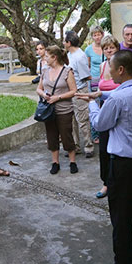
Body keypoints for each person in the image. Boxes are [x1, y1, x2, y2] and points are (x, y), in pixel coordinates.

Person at [82, 50, 132, 264]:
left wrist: (93, 103)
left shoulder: (117, 99)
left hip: (123, 168)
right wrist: (103, 97)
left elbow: (100, 123)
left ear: (121, 70)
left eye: (111, 66)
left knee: (121, 220)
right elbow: (122, 102)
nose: (108, 70)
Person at [80, 35, 121, 199]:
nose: (109, 50)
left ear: (117, 48)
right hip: (104, 111)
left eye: (112, 47)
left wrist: (100, 94)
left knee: (117, 151)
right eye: (106, 48)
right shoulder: (104, 66)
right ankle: (106, 183)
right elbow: (98, 89)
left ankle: (118, 182)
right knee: (103, 150)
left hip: (119, 113)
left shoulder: (122, 67)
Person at [36, 45, 78, 174]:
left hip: (64, 109)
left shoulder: (67, 71)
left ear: (54, 57)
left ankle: (72, 161)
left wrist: (58, 97)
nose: (45, 58)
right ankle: (55, 162)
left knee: (66, 136)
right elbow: (39, 88)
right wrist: (44, 95)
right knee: (52, 136)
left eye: (47, 56)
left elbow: (73, 91)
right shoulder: (45, 71)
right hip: (49, 110)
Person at [63, 31, 94, 158]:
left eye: (64, 41)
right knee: (72, 122)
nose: (63, 43)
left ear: (69, 43)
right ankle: (75, 146)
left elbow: (85, 76)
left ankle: (88, 146)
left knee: (82, 120)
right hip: (70, 92)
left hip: (80, 91)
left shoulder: (80, 56)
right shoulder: (69, 55)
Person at [85, 25, 105, 144]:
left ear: (102, 34)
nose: (97, 37)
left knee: (105, 106)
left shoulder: (106, 47)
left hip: (106, 79)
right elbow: (87, 65)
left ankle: (104, 131)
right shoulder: (88, 49)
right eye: (95, 35)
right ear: (92, 36)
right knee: (94, 106)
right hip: (94, 80)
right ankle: (95, 134)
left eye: (99, 34)